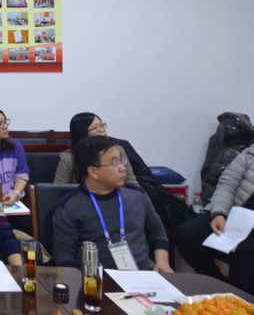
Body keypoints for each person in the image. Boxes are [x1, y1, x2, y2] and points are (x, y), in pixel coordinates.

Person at [53, 136, 172, 272]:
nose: (123, 168)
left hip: (142, 275)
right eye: (115, 163)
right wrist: (74, 280)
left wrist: (162, 263)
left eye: (121, 160)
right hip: (97, 278)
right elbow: (63, 252)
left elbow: (157, 231)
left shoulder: (137, 196)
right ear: (93, 172)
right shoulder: (70, 206)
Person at [175, 142, 254, 294]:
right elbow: (228, 182)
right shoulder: (251, 153)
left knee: (244, 251)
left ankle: (242, 298)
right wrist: (220, 213)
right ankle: (219, 285)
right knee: (188, 234)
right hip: (235, 216)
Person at [54, 113, 141, 185]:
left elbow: (132, 184)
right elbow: (58, 191)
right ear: (82, 133)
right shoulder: (68, 158)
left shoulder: (117, 150)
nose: (102, 130)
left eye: (102, 125)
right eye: (95, 128)